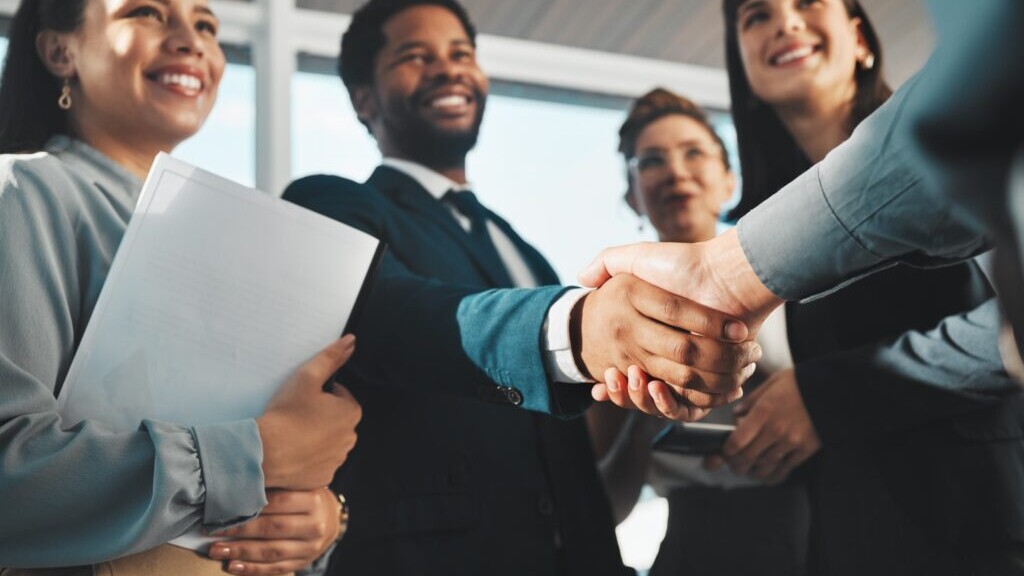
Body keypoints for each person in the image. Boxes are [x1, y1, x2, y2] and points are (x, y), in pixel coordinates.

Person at [282, 1, 760, 574]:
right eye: (416, 56)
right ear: (363, 99)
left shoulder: (522, 250)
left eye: (462, 54)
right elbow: (391, 316)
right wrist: (579, 328)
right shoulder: (331, 204)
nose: (448, 69)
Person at [0, 1, 361, 574]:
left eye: (207, 25)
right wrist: (258, 456)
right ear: (60, 50)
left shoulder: (232, 243)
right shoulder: (23, 192)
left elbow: (270, 469)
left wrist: (314, 519)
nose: (190, 41)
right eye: (146, 12)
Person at [587, 88, 809, 576]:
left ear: (728, 179)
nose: (675, 171)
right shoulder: (612, 317)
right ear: (631, 195)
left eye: (693, 152)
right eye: (651, 161)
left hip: (819, 522)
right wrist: (637, 418)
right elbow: (607, 505)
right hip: (693, 543)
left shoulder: (795, 277)